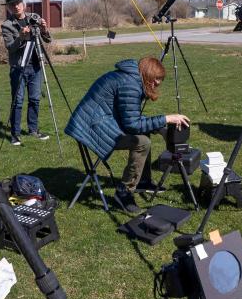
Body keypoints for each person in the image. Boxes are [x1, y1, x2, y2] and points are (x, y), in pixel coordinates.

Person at [65, 57, 190, 213]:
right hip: (91, 128)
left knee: (143, 134)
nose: (158, 83)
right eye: (156, 78)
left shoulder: (131, 78)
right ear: (148, 74)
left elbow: (130, 119)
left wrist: (161, 128)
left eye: (161, 79)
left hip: (96, 122)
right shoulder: (131, 84)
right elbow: (132, 125)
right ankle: (124, 192)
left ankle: (143, 181)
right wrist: (165, 119)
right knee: (142, 142)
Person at [1, 0, 52, 146]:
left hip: (36, 66)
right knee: (18, 100)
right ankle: (15, 134)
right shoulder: (7, 25)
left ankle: (33, 130)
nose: (16, 6)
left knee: (35, 99)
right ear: (9, 7)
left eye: (18, 3)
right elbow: (10, 47)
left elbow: (48, 40)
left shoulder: (33, 18)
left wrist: (44, 29)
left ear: (23, 4)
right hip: (19, 67)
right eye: (12, 5)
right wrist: (21, 37)